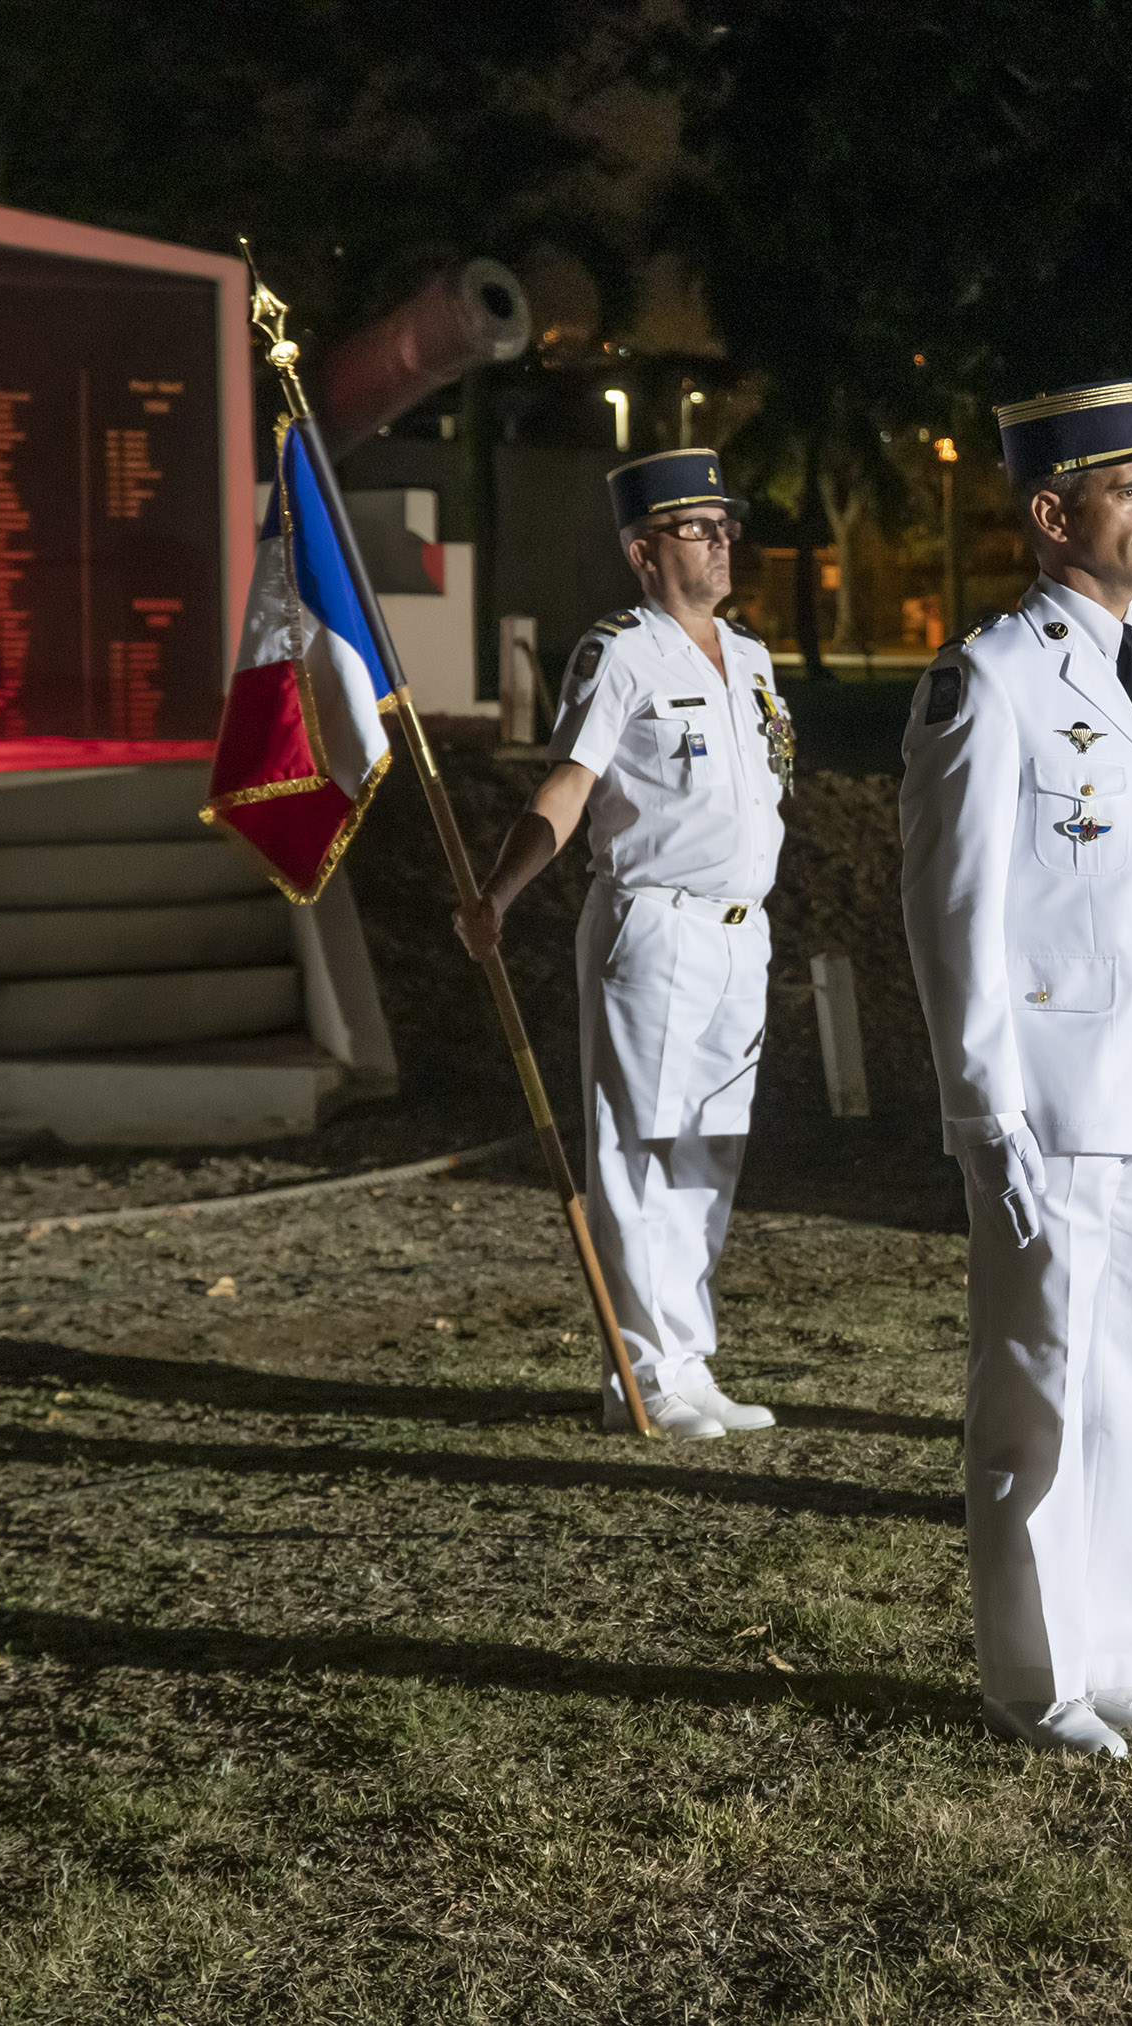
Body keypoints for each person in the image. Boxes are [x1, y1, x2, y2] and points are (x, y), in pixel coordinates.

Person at [898, 378, 1132, 1758]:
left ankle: (1117, 1651)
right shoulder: (989, 677)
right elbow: (953, 904)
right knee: (1039, 1381)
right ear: (1052, 515)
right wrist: (982, 1103)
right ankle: (1035, 1678)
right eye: (1126, 488)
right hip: (1057, 1092)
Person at [455, 448, 791, 1442]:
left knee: (706, 1154)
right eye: (697, 528)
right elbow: (571, 782)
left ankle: (688, 1359)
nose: (722, 540)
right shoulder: (622, 650)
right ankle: (640, 1373)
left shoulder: (755, 658)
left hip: (742, 931)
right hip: (656, 922)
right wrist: (500, 890)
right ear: (646, 550)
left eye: (725, 525)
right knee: (639, 1151)